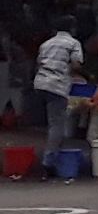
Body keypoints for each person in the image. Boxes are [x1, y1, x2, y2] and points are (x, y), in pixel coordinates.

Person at [30, 15, 82, 151]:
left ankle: (50, 151)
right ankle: (50, 158)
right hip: (57, 85)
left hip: (40, 84)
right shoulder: (73, 43)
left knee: (46, 122)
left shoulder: (46, 44)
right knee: (57, 124)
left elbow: (39, 64)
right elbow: (76, 65)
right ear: (73, 28)